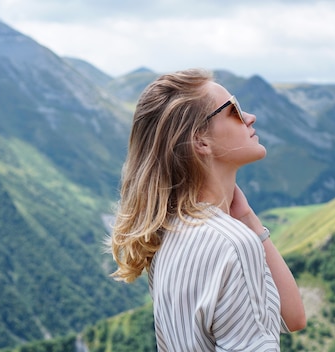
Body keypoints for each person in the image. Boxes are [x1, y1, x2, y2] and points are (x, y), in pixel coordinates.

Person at [109, 68, 306, 351]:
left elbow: (292, 317)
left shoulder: (166, 233)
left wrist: (249, 220)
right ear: (200, 140)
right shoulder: (233, 244)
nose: (250, 117)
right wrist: (246, 233)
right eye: (234, 110)